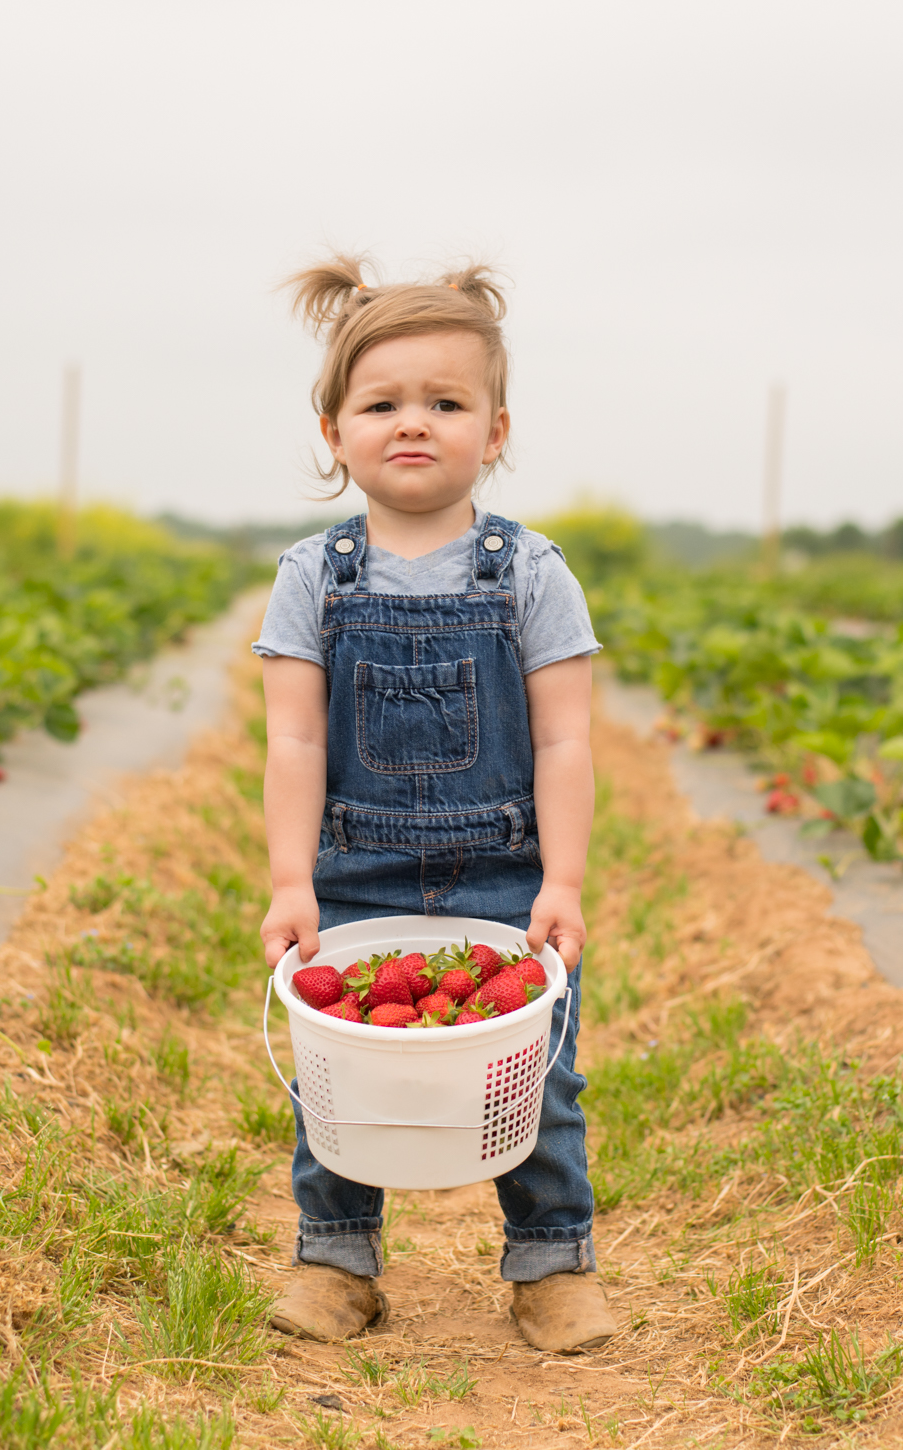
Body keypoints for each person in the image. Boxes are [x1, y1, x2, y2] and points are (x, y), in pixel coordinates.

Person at [252, 255, 615, 1354]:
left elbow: (564, 736)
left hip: (505, 871)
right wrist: (287, 879)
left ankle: (552, 1264)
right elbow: (294, 737)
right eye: (382, 403)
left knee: (536, 1073)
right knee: (340, 1077)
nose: (414, 423)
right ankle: (337, 1260)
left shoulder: (531, 572)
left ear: (495, 430)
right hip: (353, 868)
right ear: (333, 430)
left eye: (445, 403)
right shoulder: (315, 576)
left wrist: (560, 880)